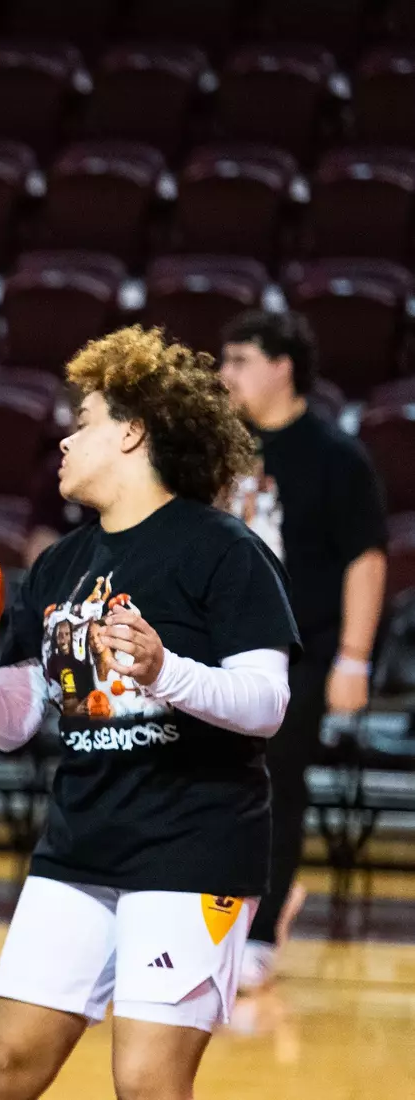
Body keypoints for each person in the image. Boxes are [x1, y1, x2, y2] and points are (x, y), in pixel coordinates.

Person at [0, 327, 299, 1100]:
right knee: (2, 1070)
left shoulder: (224, 549)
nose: (63, 438)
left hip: (192, 847)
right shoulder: (60, 565)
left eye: (83, 419)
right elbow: (19, 716)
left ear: (132, 431)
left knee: (145, 1084)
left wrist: (168, 671)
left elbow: (268, 702)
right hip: (80, 844)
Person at [219, 309, 389, 992]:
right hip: (222, 646)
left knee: (276, 785)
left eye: (238, 360)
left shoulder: (334, 456)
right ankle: (236, 909)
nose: (225, 374)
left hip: (305, 648)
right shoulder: (220, 448)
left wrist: (353, 656)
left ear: (282, 365)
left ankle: (260, 935)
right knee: (220, 786)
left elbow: (366, 559)